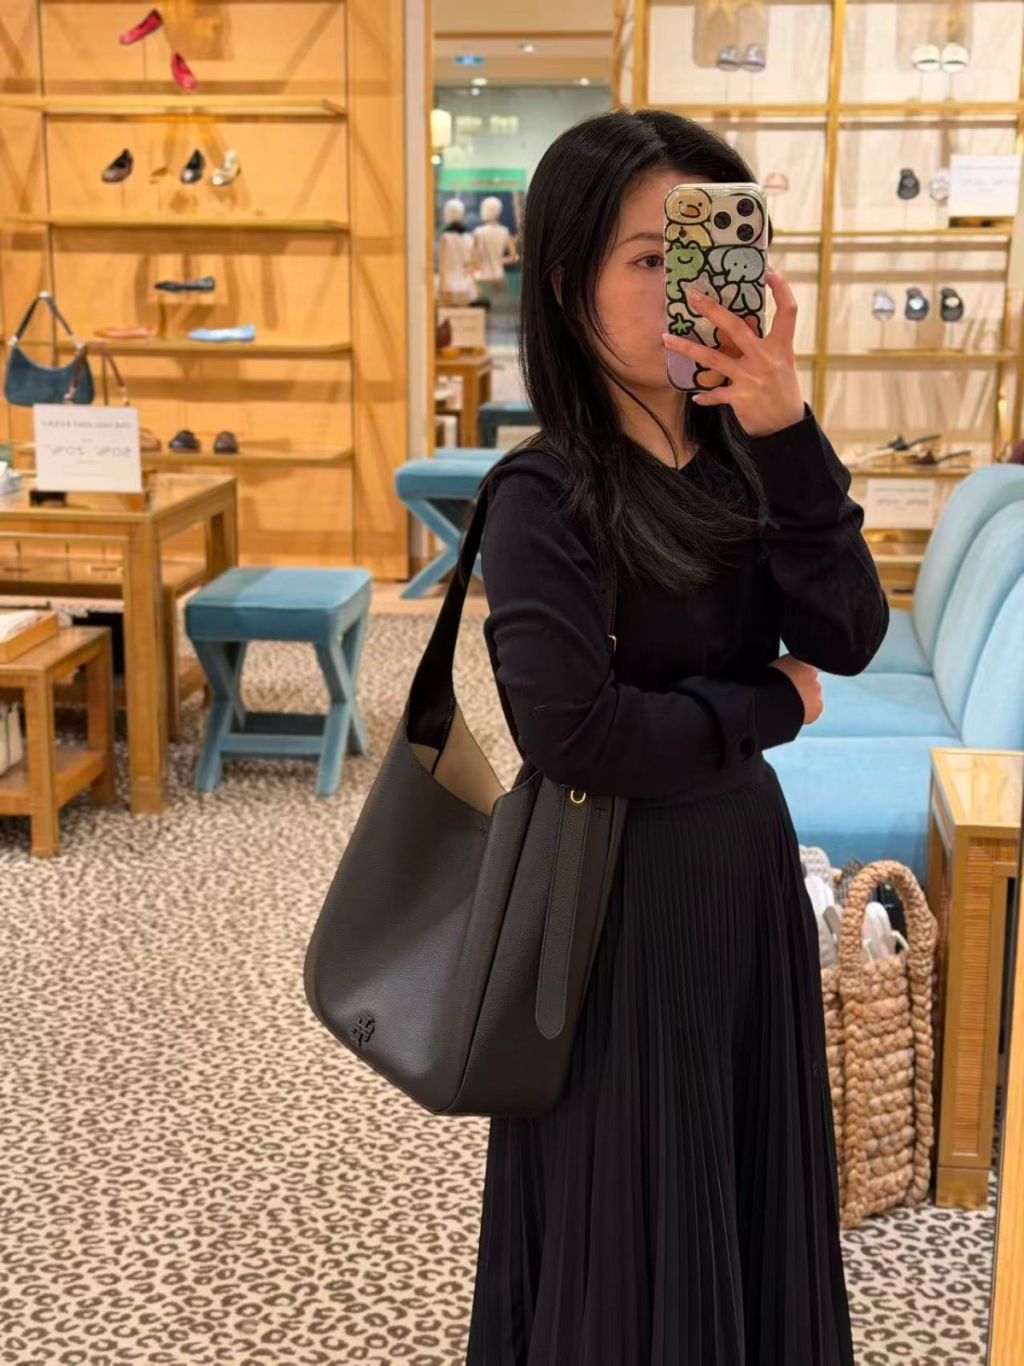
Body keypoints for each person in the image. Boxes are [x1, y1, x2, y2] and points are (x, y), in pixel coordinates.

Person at [465, 109, 888, 1365]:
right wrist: (770, 705)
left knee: (743, 1181)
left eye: (706, 254)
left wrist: (788, 427)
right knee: (629, 1208)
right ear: (566, 281)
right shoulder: (541, 493)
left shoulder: (749, 461)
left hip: (740, 872)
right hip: (612, 896)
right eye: (650, 258)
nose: (685, 287)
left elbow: (849, 631)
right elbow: (574, 734)